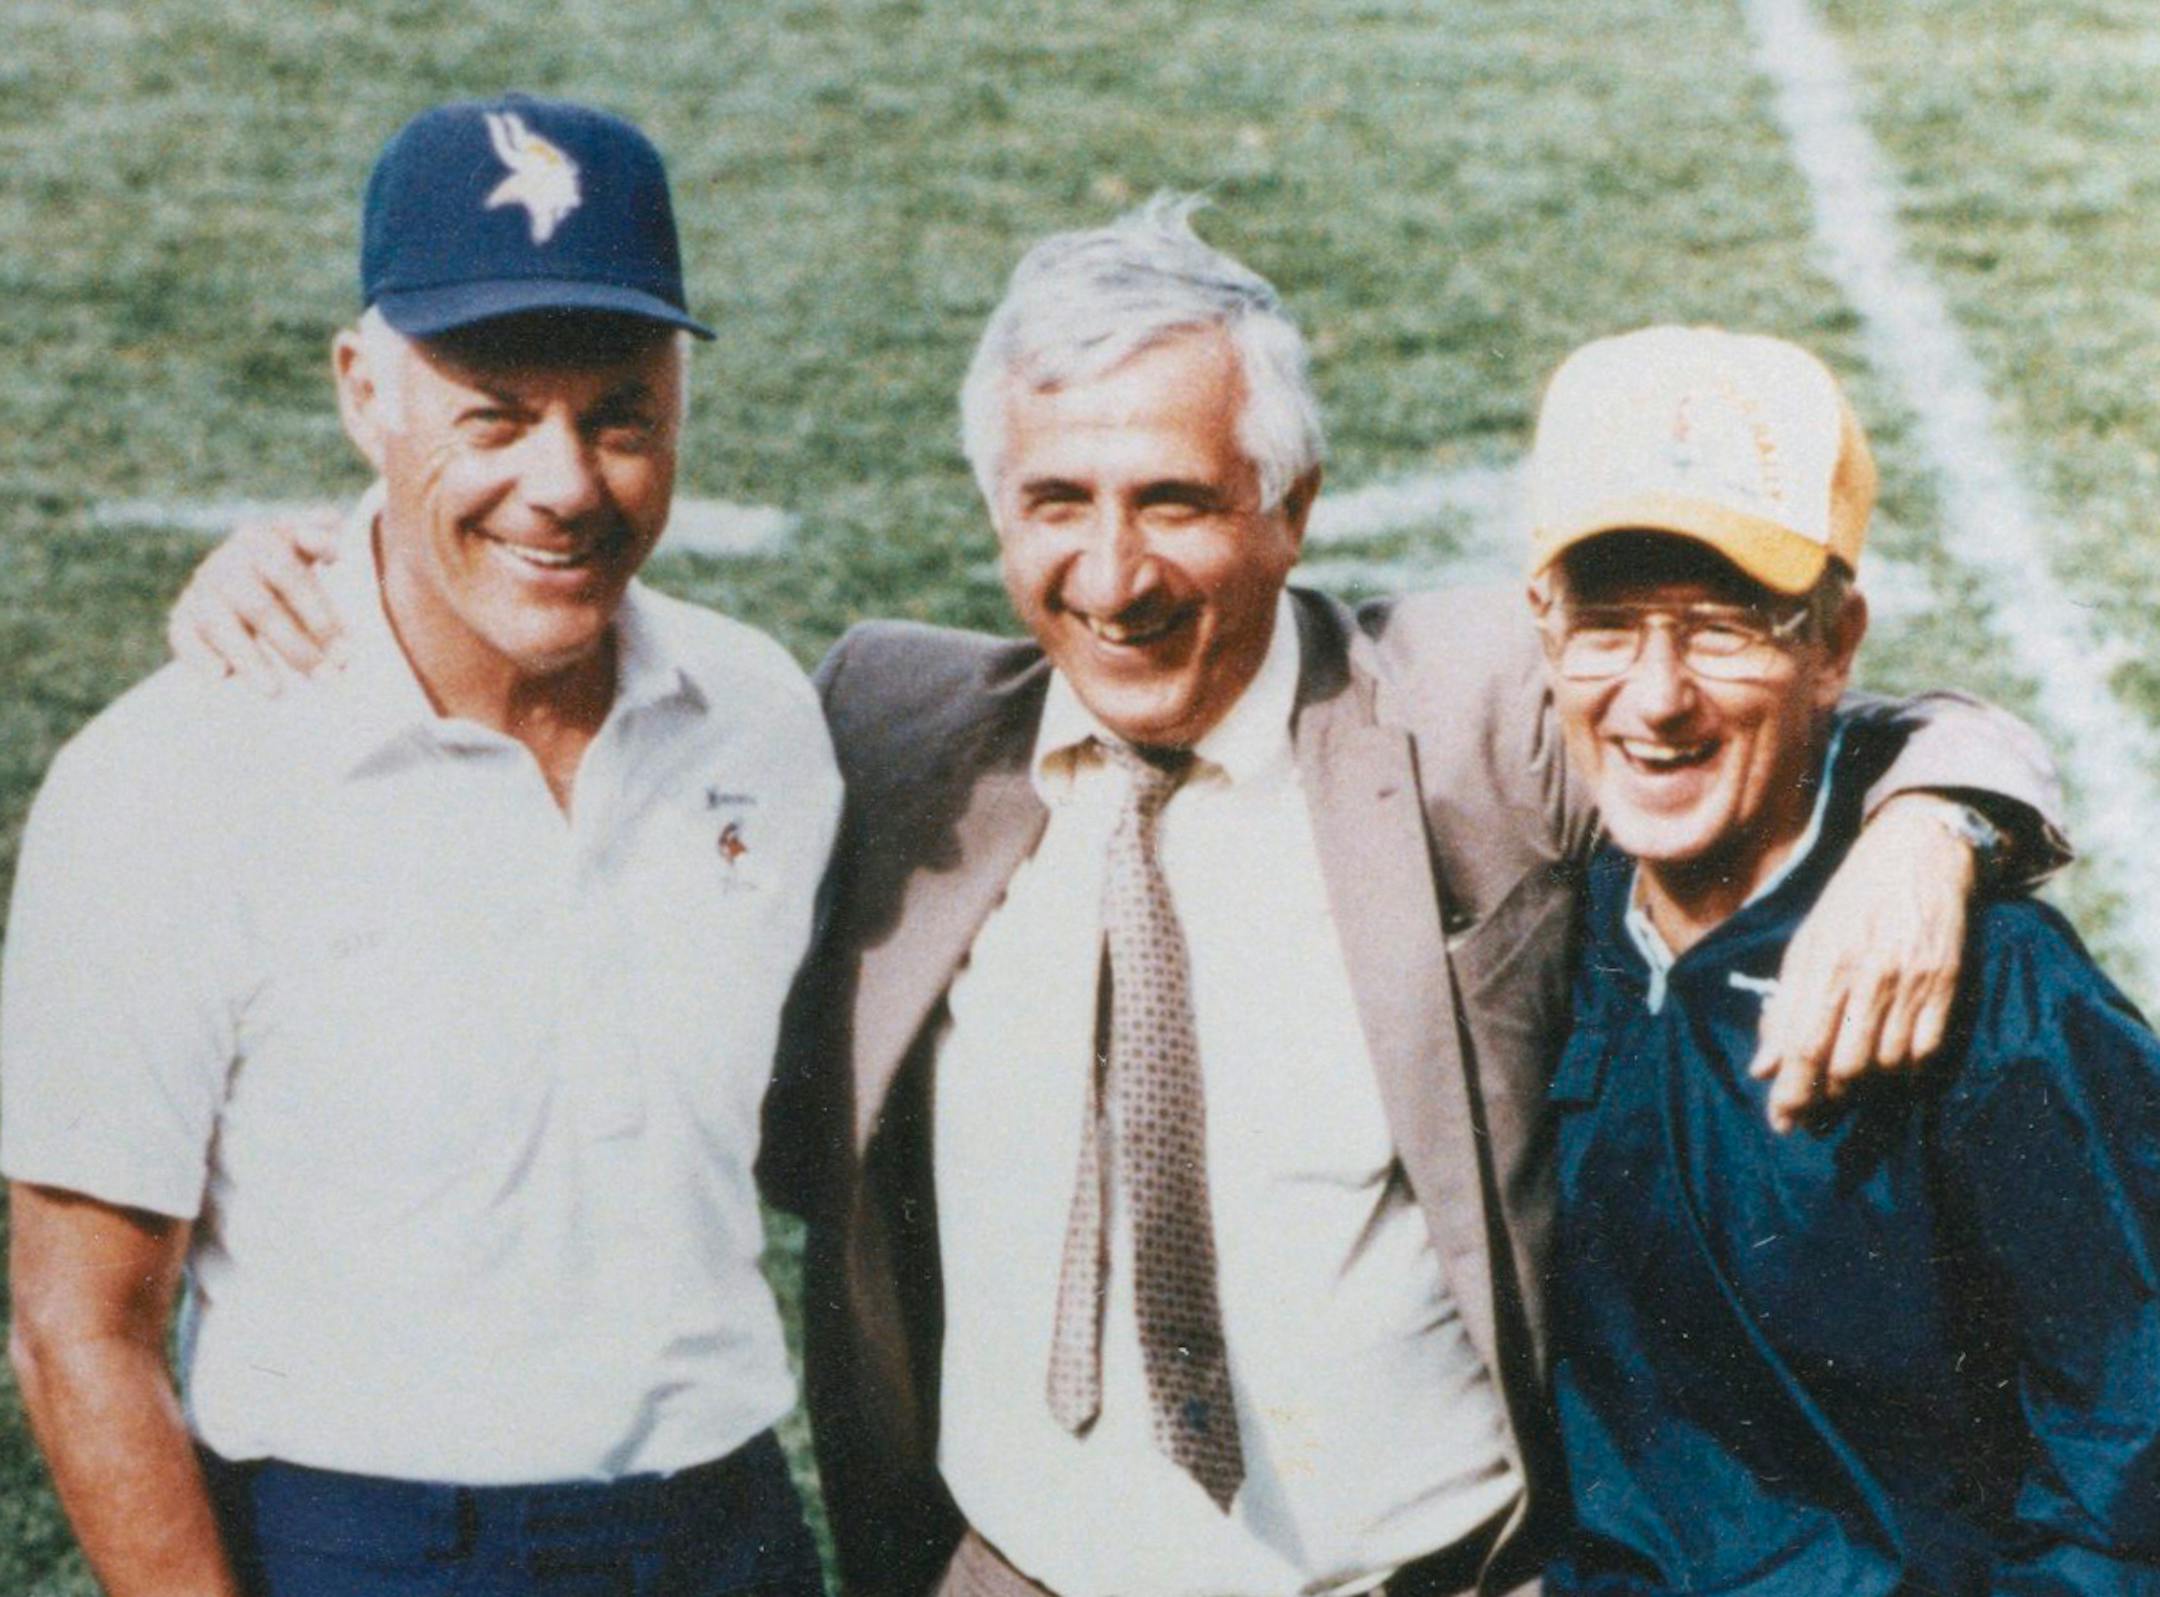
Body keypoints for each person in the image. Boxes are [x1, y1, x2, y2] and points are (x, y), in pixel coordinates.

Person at [167, 198, 2066, 1597]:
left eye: (1174, 499)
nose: (1113, 570)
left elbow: (1824, 699)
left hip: (1435, 1574)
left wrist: (1939, 826)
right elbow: (566, 659)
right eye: (1054, 501)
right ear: (995, 513)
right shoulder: (894, 726)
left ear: (1291, 507)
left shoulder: (1463, 707)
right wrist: (323, 579)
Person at [1, 95, 837, 1597]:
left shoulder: (762, 718)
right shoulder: (174, 773)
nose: (566, 484)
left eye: (619, 413)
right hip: (371, 1546)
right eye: (495, 416)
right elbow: (80, 1328)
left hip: (730, 1530)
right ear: (362, 393)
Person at [1523, 325, 2160, 1594]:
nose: (1656, 697)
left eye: (1721, 629)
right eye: (1609, 625)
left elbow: (2128, 1467)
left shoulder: (1998, 991)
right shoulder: (1535, 913)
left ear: (1836, 639)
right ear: (1540, 626)